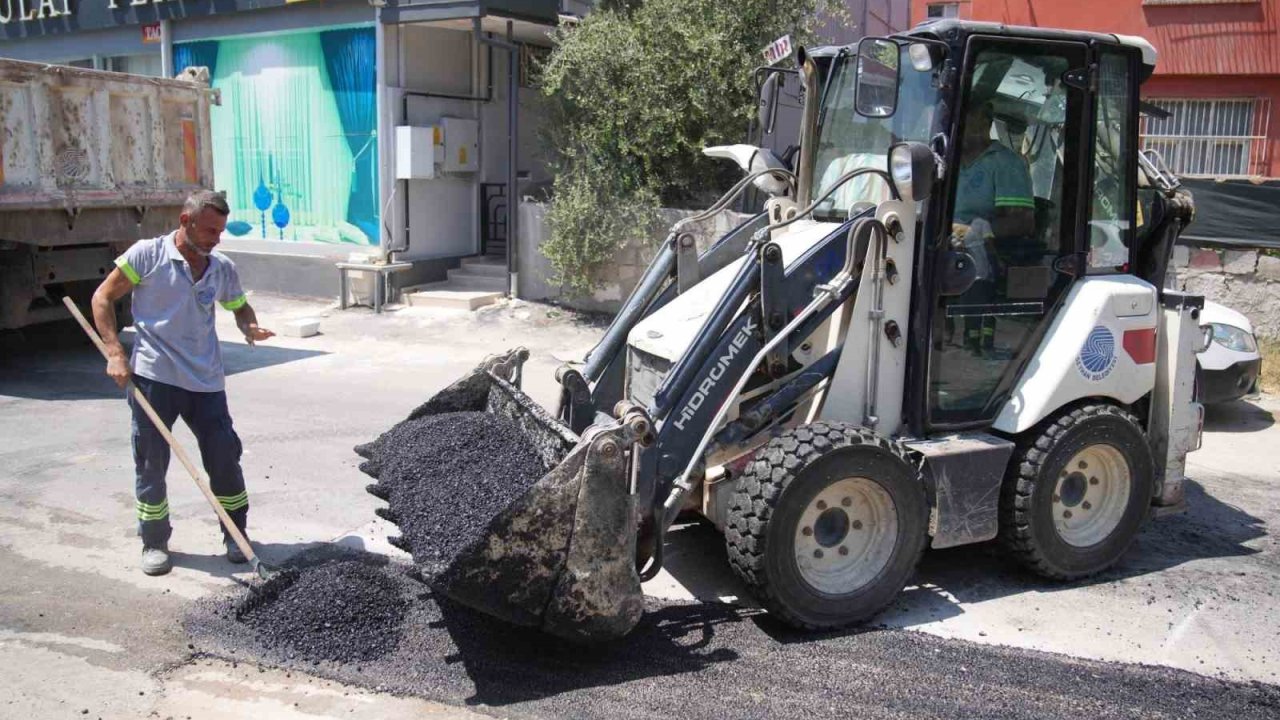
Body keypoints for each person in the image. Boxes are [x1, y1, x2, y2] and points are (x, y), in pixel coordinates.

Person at [91, 190, 274, 576]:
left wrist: (249, 326)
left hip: (206, 381)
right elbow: (102, 297)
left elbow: (239, 306)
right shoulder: (148, 255)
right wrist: (114, 353)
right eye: (210, 230)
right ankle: (154, 542)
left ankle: (235, 534)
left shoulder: (220, 267)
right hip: (155, 377)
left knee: (225, 460)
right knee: (151, 463)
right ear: (185, 221)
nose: (216, 238)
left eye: (221, 231)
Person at [951, 102, 1035, 350]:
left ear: (985, 124)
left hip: (984, 249)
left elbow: (1022, 221)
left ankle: (973, 336)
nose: (965, 128)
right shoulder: (946, 160)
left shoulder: (1005, 163)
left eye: (971, 122)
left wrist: (977, 230)